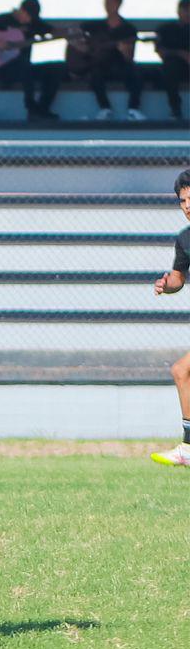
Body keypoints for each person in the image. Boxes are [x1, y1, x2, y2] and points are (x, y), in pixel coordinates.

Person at [150, 170, 190, 468]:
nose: (187, 205)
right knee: (181, 371)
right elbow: (178, 278)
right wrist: (167, 286)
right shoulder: (185, 240)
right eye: (182, 200)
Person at [67, 0, 144, 121]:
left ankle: (133, 109)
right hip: (100, 65)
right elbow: (72, 31)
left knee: (135, 73)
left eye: (111, 1)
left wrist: (123, 49)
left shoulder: (128, 29)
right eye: (106, 1)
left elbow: (130, 58)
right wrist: (82, 47)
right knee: (95, 72)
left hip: (119, 65)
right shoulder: (95, 26)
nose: (107, 5)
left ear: (119, 3)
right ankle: (105, 109)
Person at [153, 0, 189, 122]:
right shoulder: (166, 29)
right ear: (179, 11)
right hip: (175, 67)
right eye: (186, 10)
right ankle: (175, 109)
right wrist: (181, 54)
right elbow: (160, 51)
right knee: (170, 68)